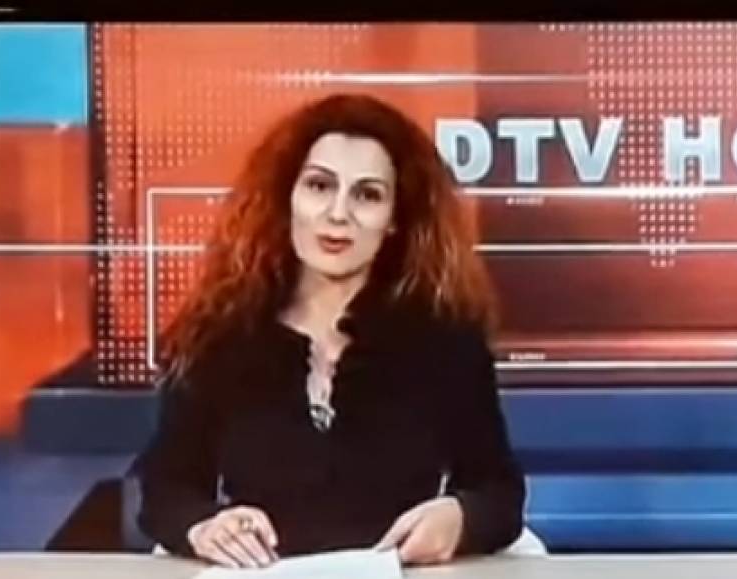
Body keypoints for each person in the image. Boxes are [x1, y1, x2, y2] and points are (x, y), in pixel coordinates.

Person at [137, 93, 524, 568]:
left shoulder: (446, 340)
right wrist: (205, 525)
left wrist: (460, 517)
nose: (339, 213)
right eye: (320, 186)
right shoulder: (219, 336)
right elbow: (166, 489)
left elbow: (499, 492)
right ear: (288, 199)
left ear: (395, 219)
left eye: (368, 195)